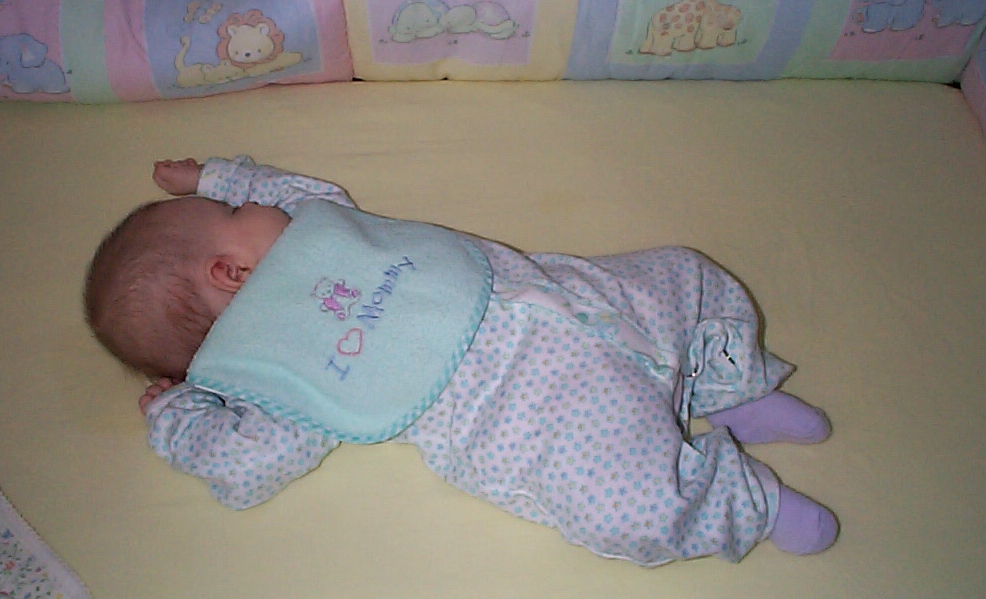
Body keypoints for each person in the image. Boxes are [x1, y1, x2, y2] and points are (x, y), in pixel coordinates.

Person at [85, 155, 838, 566]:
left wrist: (213, 179)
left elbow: (291, 191)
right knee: (628, 507)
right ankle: (755, 502)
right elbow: (246, 465)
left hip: (574, 300)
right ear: (230, 272)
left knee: (684, 277)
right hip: (536, 414)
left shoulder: (314, 227)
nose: (254, 204)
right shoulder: (289, 379)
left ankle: (733, 385)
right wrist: (182, 414)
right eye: (231, 212)